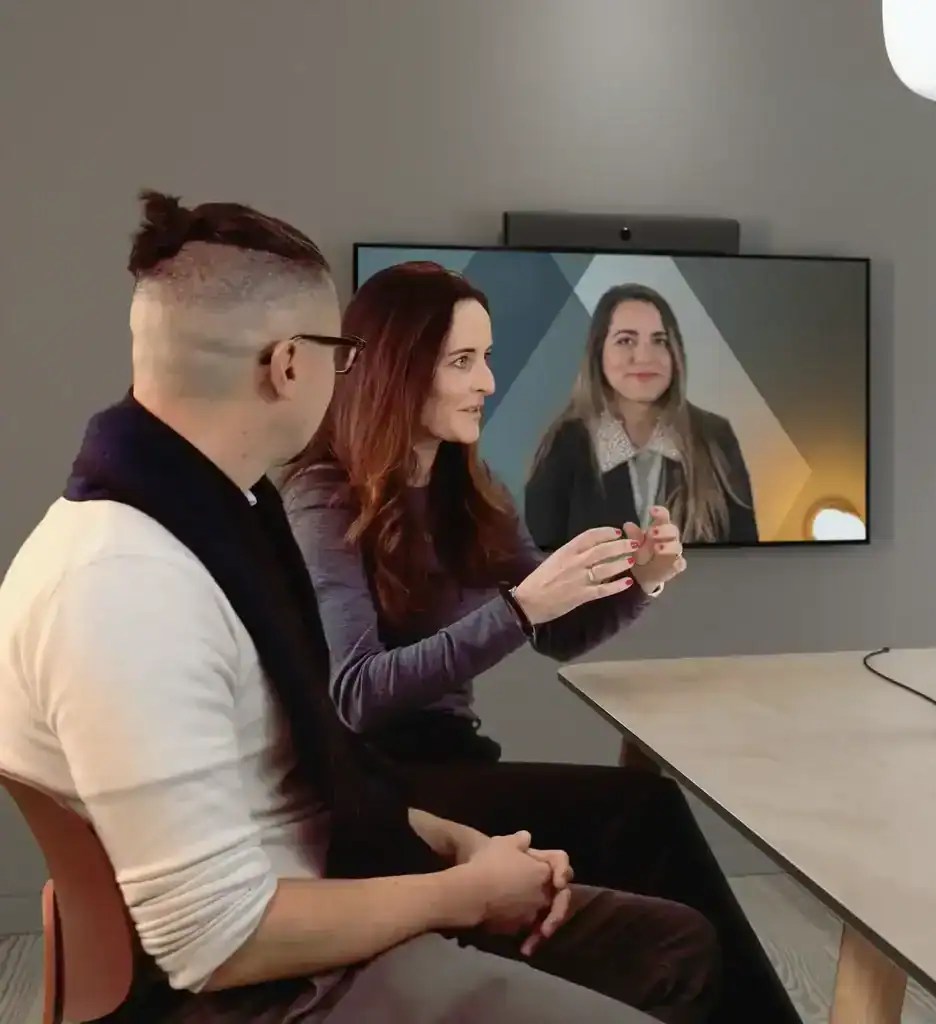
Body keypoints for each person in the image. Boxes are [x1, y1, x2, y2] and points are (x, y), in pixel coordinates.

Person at [0, 192, 715, 1021]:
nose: (485, 382)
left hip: (341, 871)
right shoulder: (128, 585)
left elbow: (296, 791)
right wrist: (462, 894)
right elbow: (217, 937)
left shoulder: (215, 529)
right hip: (283, 982)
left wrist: (453, 845)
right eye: (339, 355)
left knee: (675, 945)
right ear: (290, 366)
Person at [281, 261, 800, 1023]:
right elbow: (355, 696)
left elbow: (555, 633)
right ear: (395, 370)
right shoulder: (322, 493)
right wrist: (519, 608)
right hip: (384, 785)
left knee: (648, 843)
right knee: (644, 815)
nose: (487, 382)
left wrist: (641, 582)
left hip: (459, 761)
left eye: (486, 359)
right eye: (463, 362)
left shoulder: (469, 483)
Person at [525, 285, 755, 548]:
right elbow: (540, 570)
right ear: (598, 352)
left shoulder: (716, 436)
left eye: (659, 341)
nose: (645, 356)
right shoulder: (562, 445)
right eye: (626, 340)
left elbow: (746, 558)